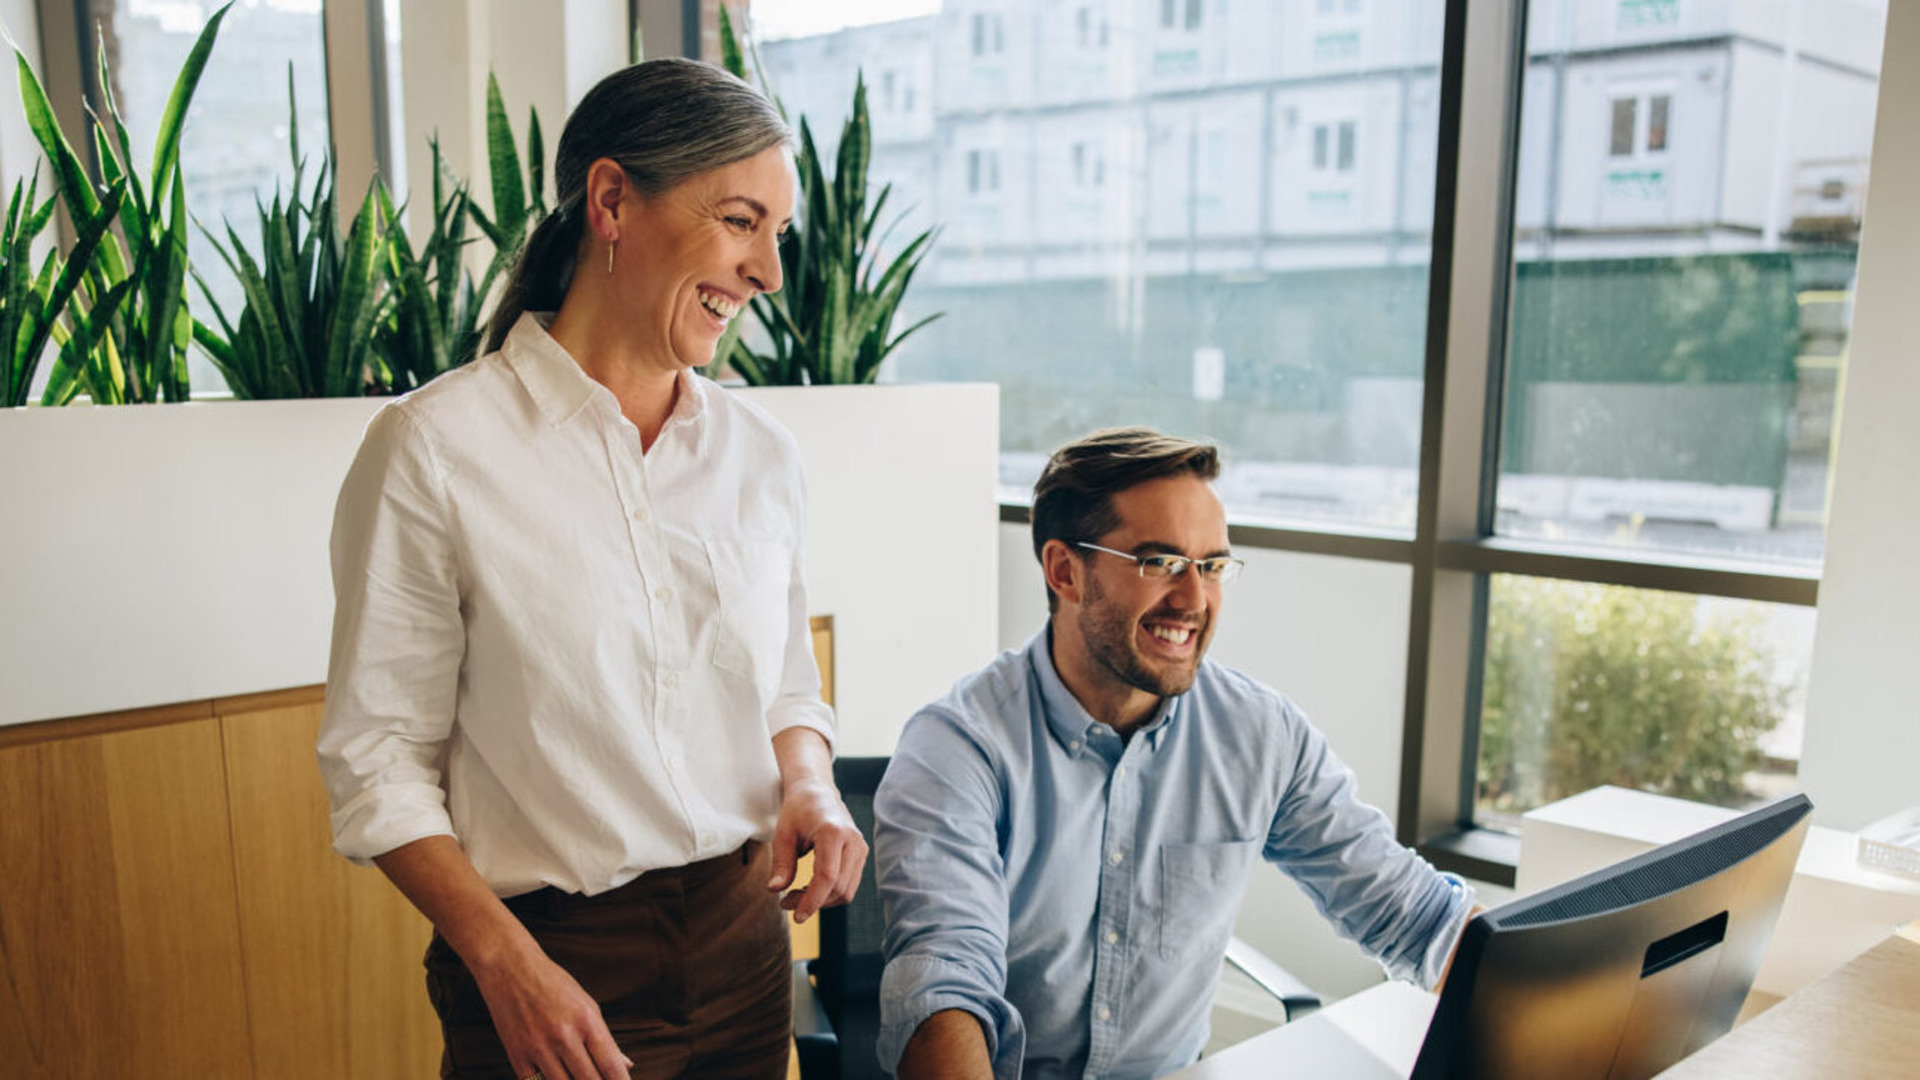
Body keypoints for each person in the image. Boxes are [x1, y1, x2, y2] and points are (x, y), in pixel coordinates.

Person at [316, 58, 866, 1080]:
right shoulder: (433, 451)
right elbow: (376, 763)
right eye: (741, 221)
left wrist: (812, 787)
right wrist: (506, 966)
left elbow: (785, 681)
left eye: (776, 235)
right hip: (550, 965)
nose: (769, 274)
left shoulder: (761, 456)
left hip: (747, 948)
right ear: (612, 200)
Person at [873, 428, 1478, 1080]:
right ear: (1064, 571)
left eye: (1212, 566)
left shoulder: (1260, 735)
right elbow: (944, 988)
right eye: (1159, 562)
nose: (1194, 601)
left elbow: (1413, 916)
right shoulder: (955, 750)